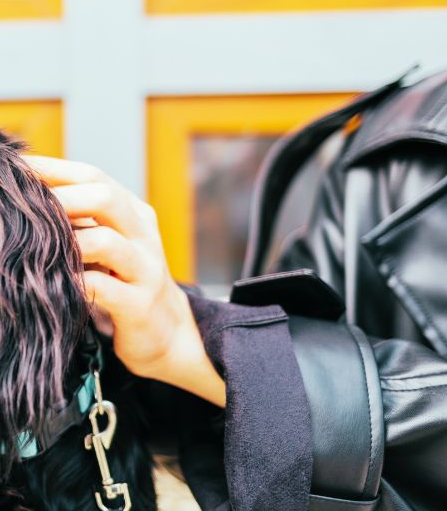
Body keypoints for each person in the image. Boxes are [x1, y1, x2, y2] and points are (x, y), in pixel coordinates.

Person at [26, 69, 447, 510]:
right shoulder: (391, 152)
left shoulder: (393, 151)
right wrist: (177, 342)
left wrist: (208, 346)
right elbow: (321, 346)